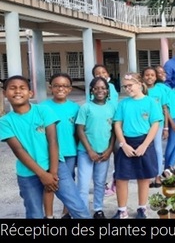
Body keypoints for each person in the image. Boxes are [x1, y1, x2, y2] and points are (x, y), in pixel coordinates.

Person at [0, 75, 90, 219]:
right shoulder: (5, 121)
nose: (18, 91)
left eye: (22, 88)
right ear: (5, 93)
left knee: (77, 207)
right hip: (28, 173)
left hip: (56, 167)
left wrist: (52, 173)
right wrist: (43, 175)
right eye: (12, 88)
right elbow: (18, 150)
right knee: (34, 213)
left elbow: (53, 141)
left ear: (30, 93)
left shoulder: (43, 111)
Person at [112, 72, 163, 219]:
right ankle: (122, 210)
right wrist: (123, 144)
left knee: (143, 177)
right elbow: (117, 124)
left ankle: (142, 208)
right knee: (121, 178)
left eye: (130, 85)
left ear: (140, 85)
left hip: (144, 142)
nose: (128, 89)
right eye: (125, 86)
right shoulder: (123, 104)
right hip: (127, 142)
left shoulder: (150, 102)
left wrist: (145, 145)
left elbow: (154, 124)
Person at [41, 73, 80, 219]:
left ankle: (66, 213)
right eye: (56, 86)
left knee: (68, 184)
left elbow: (78, 132)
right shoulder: (43, 107)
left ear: (70, 89)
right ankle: (49, 216)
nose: (60, 89)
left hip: (69, 152)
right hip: (48, 154)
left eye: (64, 86)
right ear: (51, 88)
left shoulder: (75, 108)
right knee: (50, 184)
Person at [76, 77, 116, 219]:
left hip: (104, 153)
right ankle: (82, 213)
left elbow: (114, 131)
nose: (100, 90)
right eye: (96, 88)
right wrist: (90, 151)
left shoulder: (112, 108)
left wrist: (109, 150)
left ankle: (98, 209)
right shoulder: (86, 107)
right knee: (83, 184)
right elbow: (80, 130)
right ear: (92, 90)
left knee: (100, 183)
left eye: (103, 88)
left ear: (107, 90)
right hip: (85, 152)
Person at [91, 64, 119, 197]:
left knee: (117, 154)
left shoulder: (112, 88)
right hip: (101, 127)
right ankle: (101, 184)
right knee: (100, 158)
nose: (101, 74)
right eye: (97, 73)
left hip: (114, 124)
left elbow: (115, 105)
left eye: (103, 72)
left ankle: (116, 181)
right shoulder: (93, 90)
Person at [142, 66, 169, 188]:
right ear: (143, 77)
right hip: (143, 125)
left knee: (158, 149)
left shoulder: (160, 90)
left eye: (152, 75)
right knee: (145, 149)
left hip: (157, 123)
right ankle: (147, 176)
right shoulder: (141, 90)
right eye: (147, 75)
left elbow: (165, 109)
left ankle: (157, 176)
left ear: (156, 77)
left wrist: (166, 128)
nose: (149, 77)